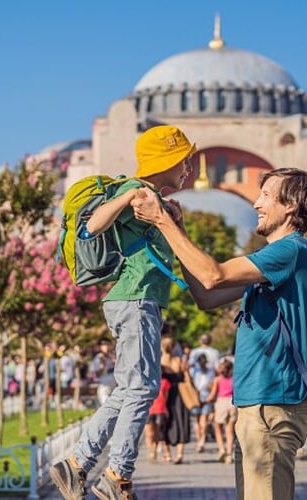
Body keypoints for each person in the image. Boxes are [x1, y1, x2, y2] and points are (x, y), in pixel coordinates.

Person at [131, 167, 307, 499]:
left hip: (271, 403)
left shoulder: (290, 251)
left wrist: (162, 221)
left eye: (265, 196)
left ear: (290, 206)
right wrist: (178, 229)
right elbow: (207, 296)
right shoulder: (275, 262)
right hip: (258, 405)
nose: (256, 204)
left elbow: (213, 276)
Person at [50, 125, 196, 500]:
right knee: (143, 387)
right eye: (184, 161)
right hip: (134, 300)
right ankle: (118, 475)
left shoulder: (156, 202)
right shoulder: (133, 191)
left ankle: (78, 464)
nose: (189, 170)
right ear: (166, 161)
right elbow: (90, 227)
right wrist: (130, 195)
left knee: (132, 388)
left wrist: (170, 220)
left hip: (141, 300)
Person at [161, 336, 191, 465]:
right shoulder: (180, 361)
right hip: (180, 394)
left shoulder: (159, 362)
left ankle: (167, 454)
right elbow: (188, 378)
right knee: (181, 421)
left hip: (163, 395)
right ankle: (179, 454)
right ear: (174, 347)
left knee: (164, 423)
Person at [208, 358, 237, 464]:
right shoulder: (234, 379)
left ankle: (221, 449)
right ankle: (229, 454)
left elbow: (212, 395)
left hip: (221, 402)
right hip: (232, 403)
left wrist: (205, 401)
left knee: (218, 427)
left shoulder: (218, 379)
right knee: (230, 431)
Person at [190, 353, 216, 453]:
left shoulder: (210, 371)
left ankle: (202, 441)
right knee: (197, 420)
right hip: (196, 396)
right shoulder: (194, 371)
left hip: (206, 396)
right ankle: (199, 439)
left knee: (203, 420)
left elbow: (212, 384)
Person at [91, 338, 116, 406]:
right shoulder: (99, 358)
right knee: (105, 405)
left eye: (108, 344)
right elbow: (97, 375)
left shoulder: (113, 356)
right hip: (105, 385)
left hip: (114, 385)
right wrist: (103, 365)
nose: (106, 347)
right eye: (104, 345)